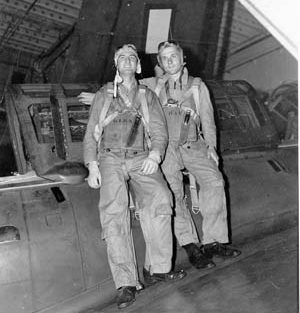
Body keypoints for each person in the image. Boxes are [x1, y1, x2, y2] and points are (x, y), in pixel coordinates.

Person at [79, 41, 241, 272]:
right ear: (160, 63)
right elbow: (123, 85)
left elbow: (208, 119)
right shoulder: (152, 84)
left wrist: (212, 148)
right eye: (164, 58)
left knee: (214, 181)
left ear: (183, 59)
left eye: (174, 56)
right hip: (166, 151)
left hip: (192, 144)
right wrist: (95, 95)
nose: (170, 61)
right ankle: (191, 245)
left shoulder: (197, 86)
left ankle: (214, 241)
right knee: (173, 195)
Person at [83, 44, 186, 309]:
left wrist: (155, 156)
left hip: (141, 157)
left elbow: (159, 130)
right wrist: (92, 165)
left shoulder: (146, 94)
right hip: (110, 158)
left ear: (138, 66)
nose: (127, 62)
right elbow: (92, 131)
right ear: (116, 64)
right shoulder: (104, 94)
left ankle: (158, 268)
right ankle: (126, 283)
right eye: (122, 58)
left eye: (132, 58)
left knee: (162, 198)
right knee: (114, 214)